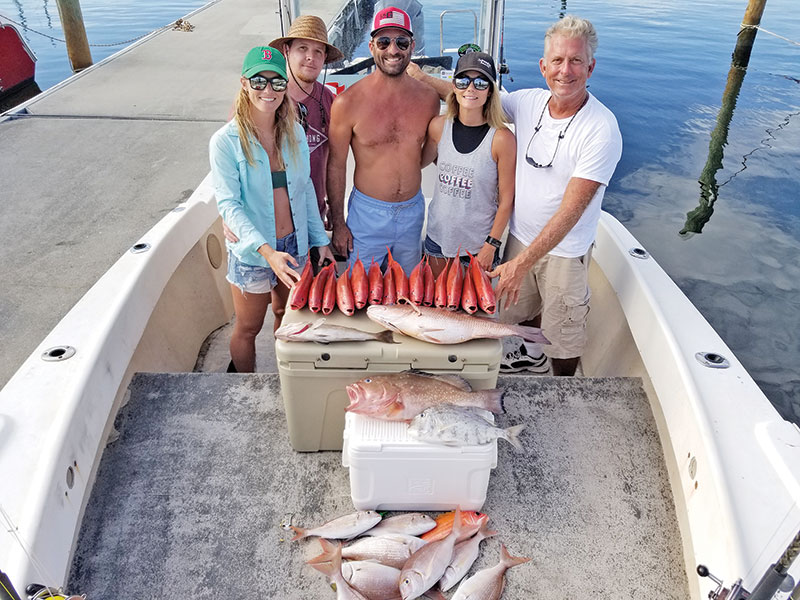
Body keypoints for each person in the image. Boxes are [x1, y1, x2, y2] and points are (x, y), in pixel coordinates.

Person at [488, 15, 623, 376]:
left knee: (564, 335)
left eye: (576, 61)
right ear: (543, 66)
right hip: (521, 236)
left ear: (590, 67)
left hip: (564, 251)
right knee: (524, 309)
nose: (566, 71)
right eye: (558, 61)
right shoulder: (528, 102)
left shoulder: (601, 129)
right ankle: (532, 356)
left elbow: (572, 210)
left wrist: (521, 263)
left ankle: (564, 388)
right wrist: (421, 81)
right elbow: (479, 96)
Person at [209, 46, 334, 373]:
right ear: (244, 83)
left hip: (294, 246)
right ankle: (245, 390)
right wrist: (267, 252)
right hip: (254, 253)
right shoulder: (225, 142)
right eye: (259, 81)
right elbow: (228, 205)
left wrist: (321, 241)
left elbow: (305, 189)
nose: (268, 90)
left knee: (286, 316)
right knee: (248, 329)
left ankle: (285, 382)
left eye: (277, 82)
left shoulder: (294, 132)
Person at [326, 6, 440, 275]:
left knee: (408, 293)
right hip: (367, 216)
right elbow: (336, 165)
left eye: (401, 42)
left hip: (412, 213)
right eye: (384, 42)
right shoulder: (347, 102)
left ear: (412, 46)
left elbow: (429, 152)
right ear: (371, 46)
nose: (393, 50)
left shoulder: (429, 99)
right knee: (362, 293)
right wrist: (339, 223)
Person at [420, 51, 515, 279]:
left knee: (472, 312)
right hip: (437, 241)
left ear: (490, 91)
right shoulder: (438, 127)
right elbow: (419, 163)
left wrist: (491, 245)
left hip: (477, 246)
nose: (470, 88)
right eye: (463, 81)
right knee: (437, 307)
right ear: (454, 86)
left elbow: (506, 200)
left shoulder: (502, 139)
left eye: (480, 82)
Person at [270, 15, 344, 226]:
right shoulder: (265, 97)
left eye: (318, 51)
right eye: (302, 48)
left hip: (314, 219)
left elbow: (334, 160)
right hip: (272, 221)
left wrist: (333, 207)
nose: (310, 57)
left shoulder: (331, 101)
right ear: (286, 50)